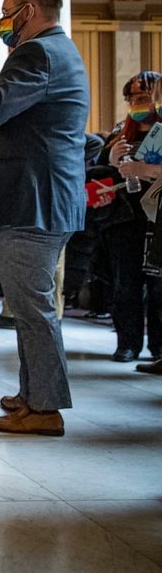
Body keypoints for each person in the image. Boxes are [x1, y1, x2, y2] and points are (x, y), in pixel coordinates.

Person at [0, 0, 90, 436]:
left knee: (34, 310)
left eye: (8, 12)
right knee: (27, 309)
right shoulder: (56, 52)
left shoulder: (38, 53)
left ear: (31, 11)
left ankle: (45, 409)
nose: (3, 22)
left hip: (33, 199)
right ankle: (32, 395)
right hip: (38, 198)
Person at [100, 72, 162, 363]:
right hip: (126, 216)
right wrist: (112, 159)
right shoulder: (120, 131)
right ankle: (128, 343)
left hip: (156, 216)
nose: (137, 103)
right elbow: (99, 169)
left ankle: (159, 347)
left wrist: (143, 169)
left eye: (143, 97)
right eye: (132, 98)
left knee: (158, 285)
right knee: (125, 283)